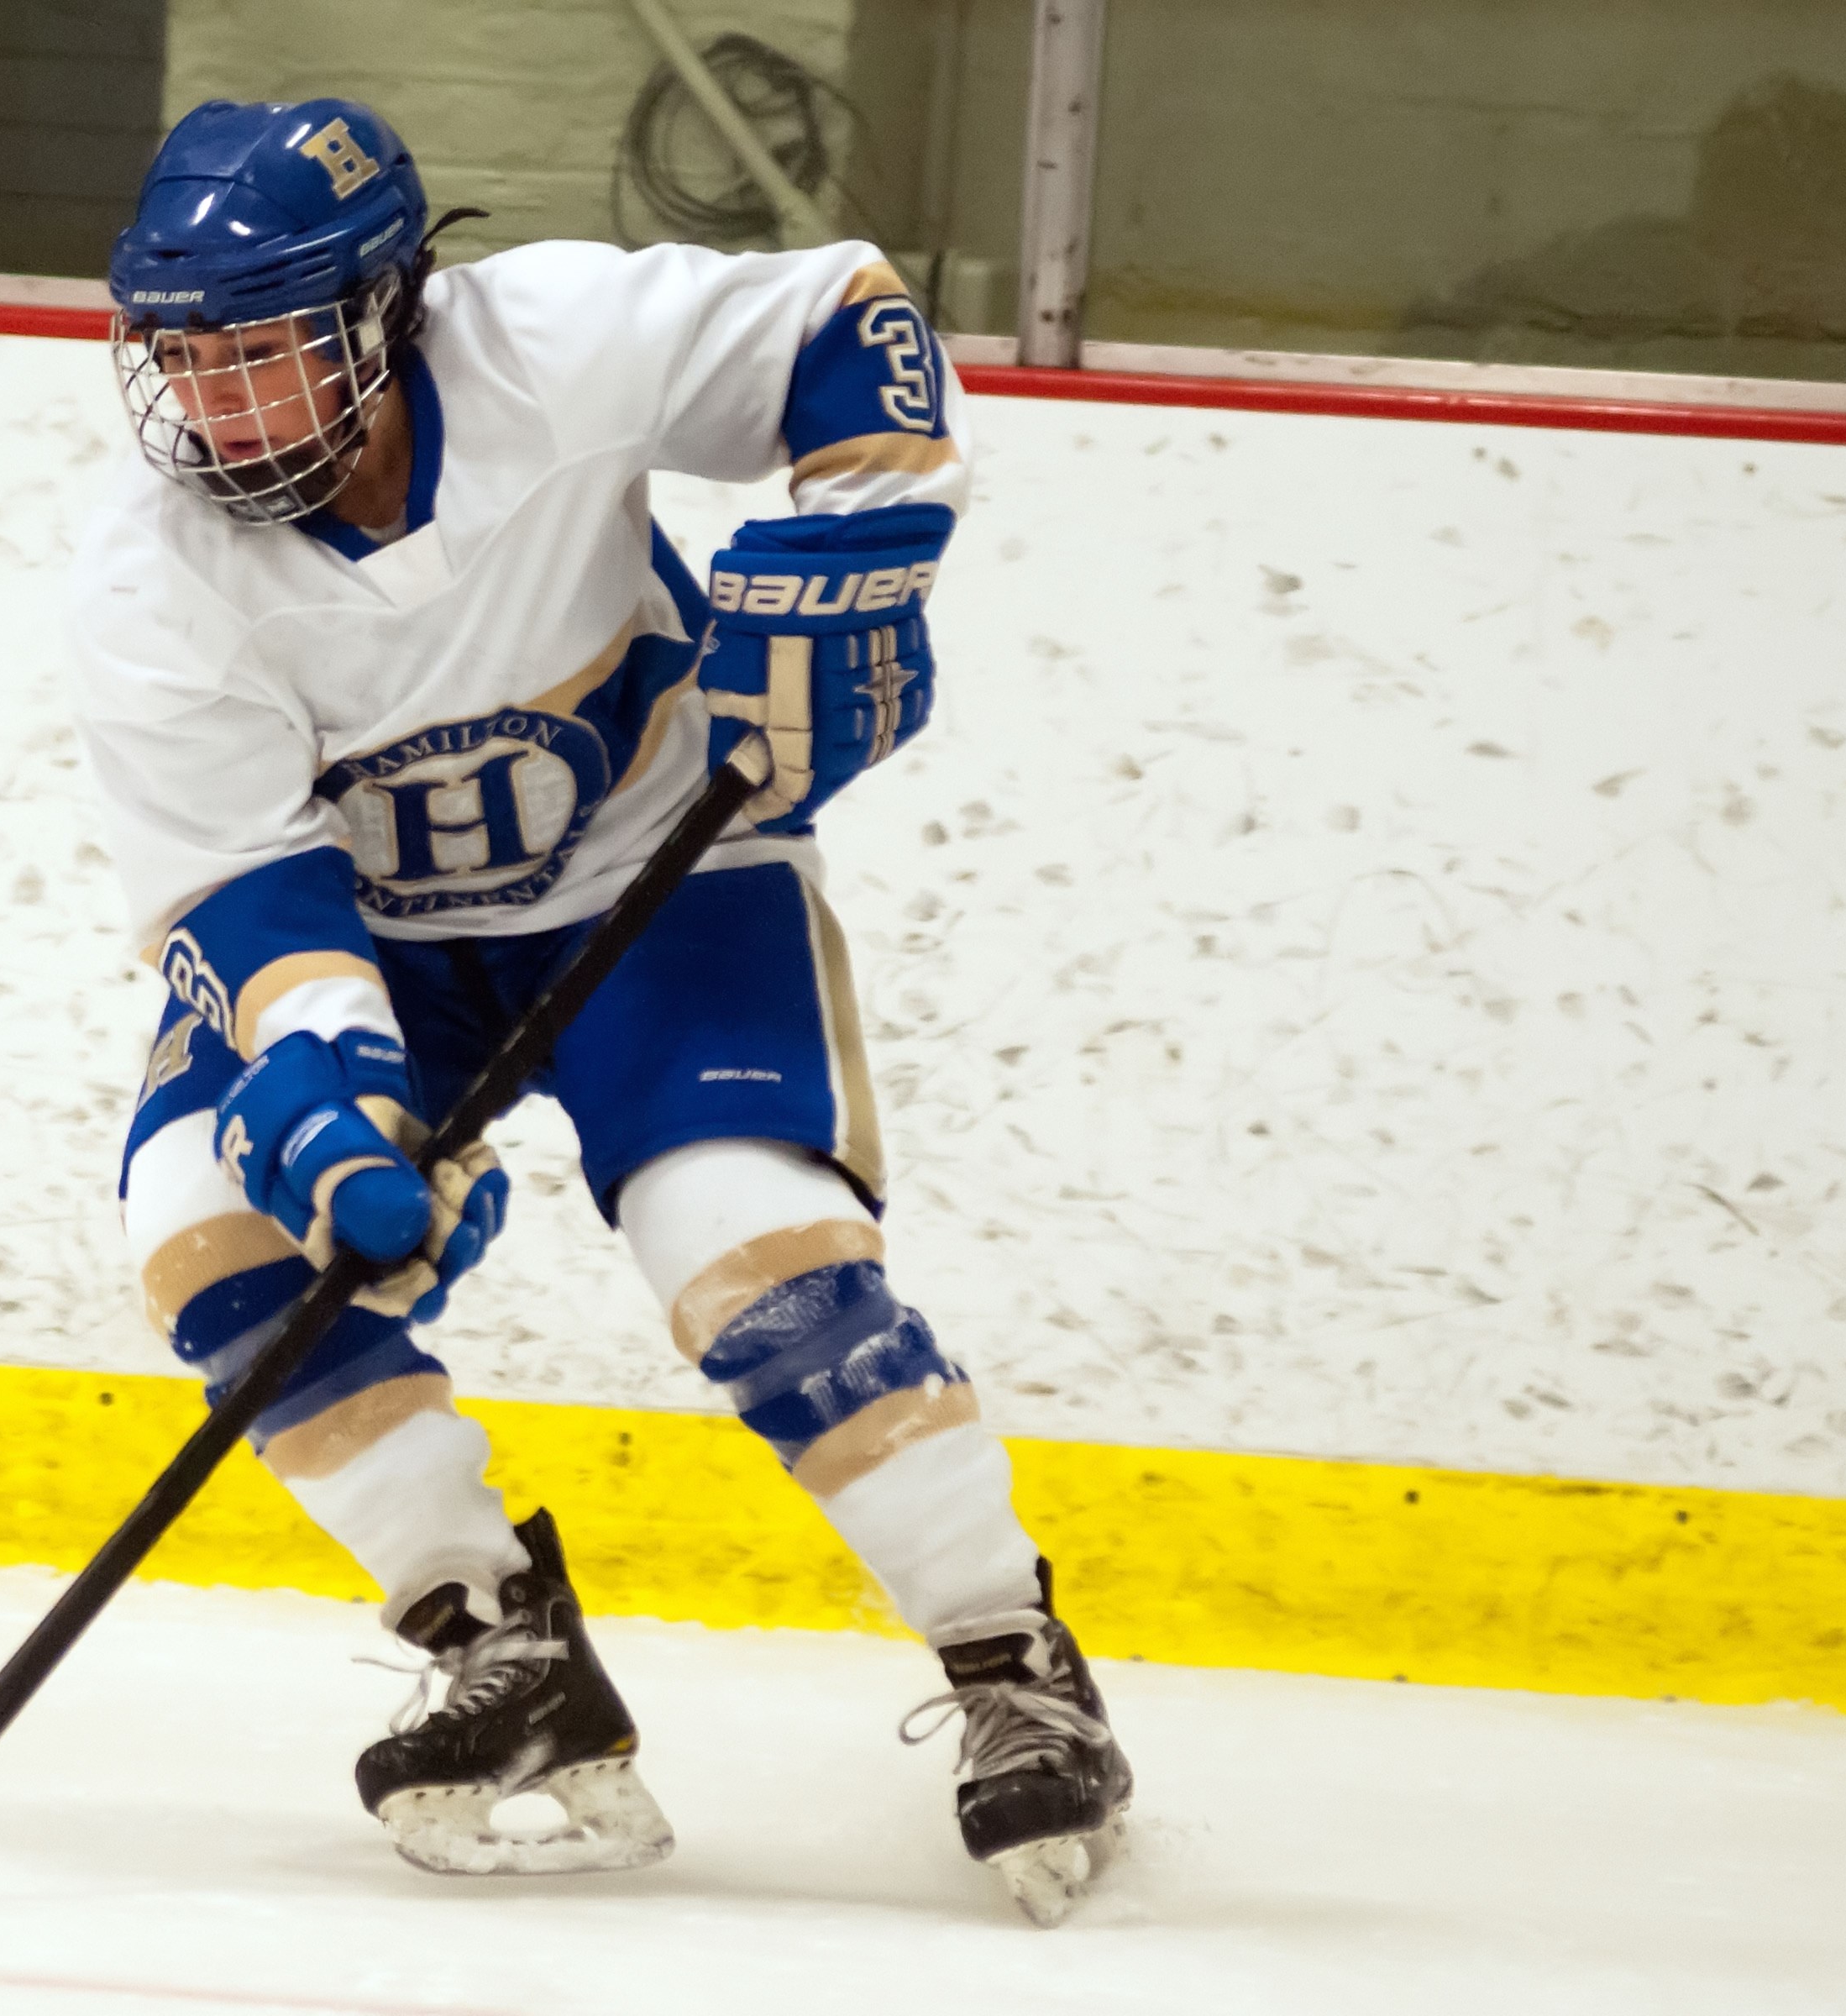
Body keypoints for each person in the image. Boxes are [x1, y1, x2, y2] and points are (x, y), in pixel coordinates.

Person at [71, 97, 1131, 1924]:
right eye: (187, 358)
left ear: (391, 310)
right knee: (211, 1234)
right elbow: (244, 890)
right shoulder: (155, 578)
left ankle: (1014, 1668)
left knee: (756, 1262)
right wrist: (335, 1105)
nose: (222, 404)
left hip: (667, 873)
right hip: (381, 947)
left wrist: (861, 542)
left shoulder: (547, 339)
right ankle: (501, 1646)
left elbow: (842, 318)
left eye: (266, 349)